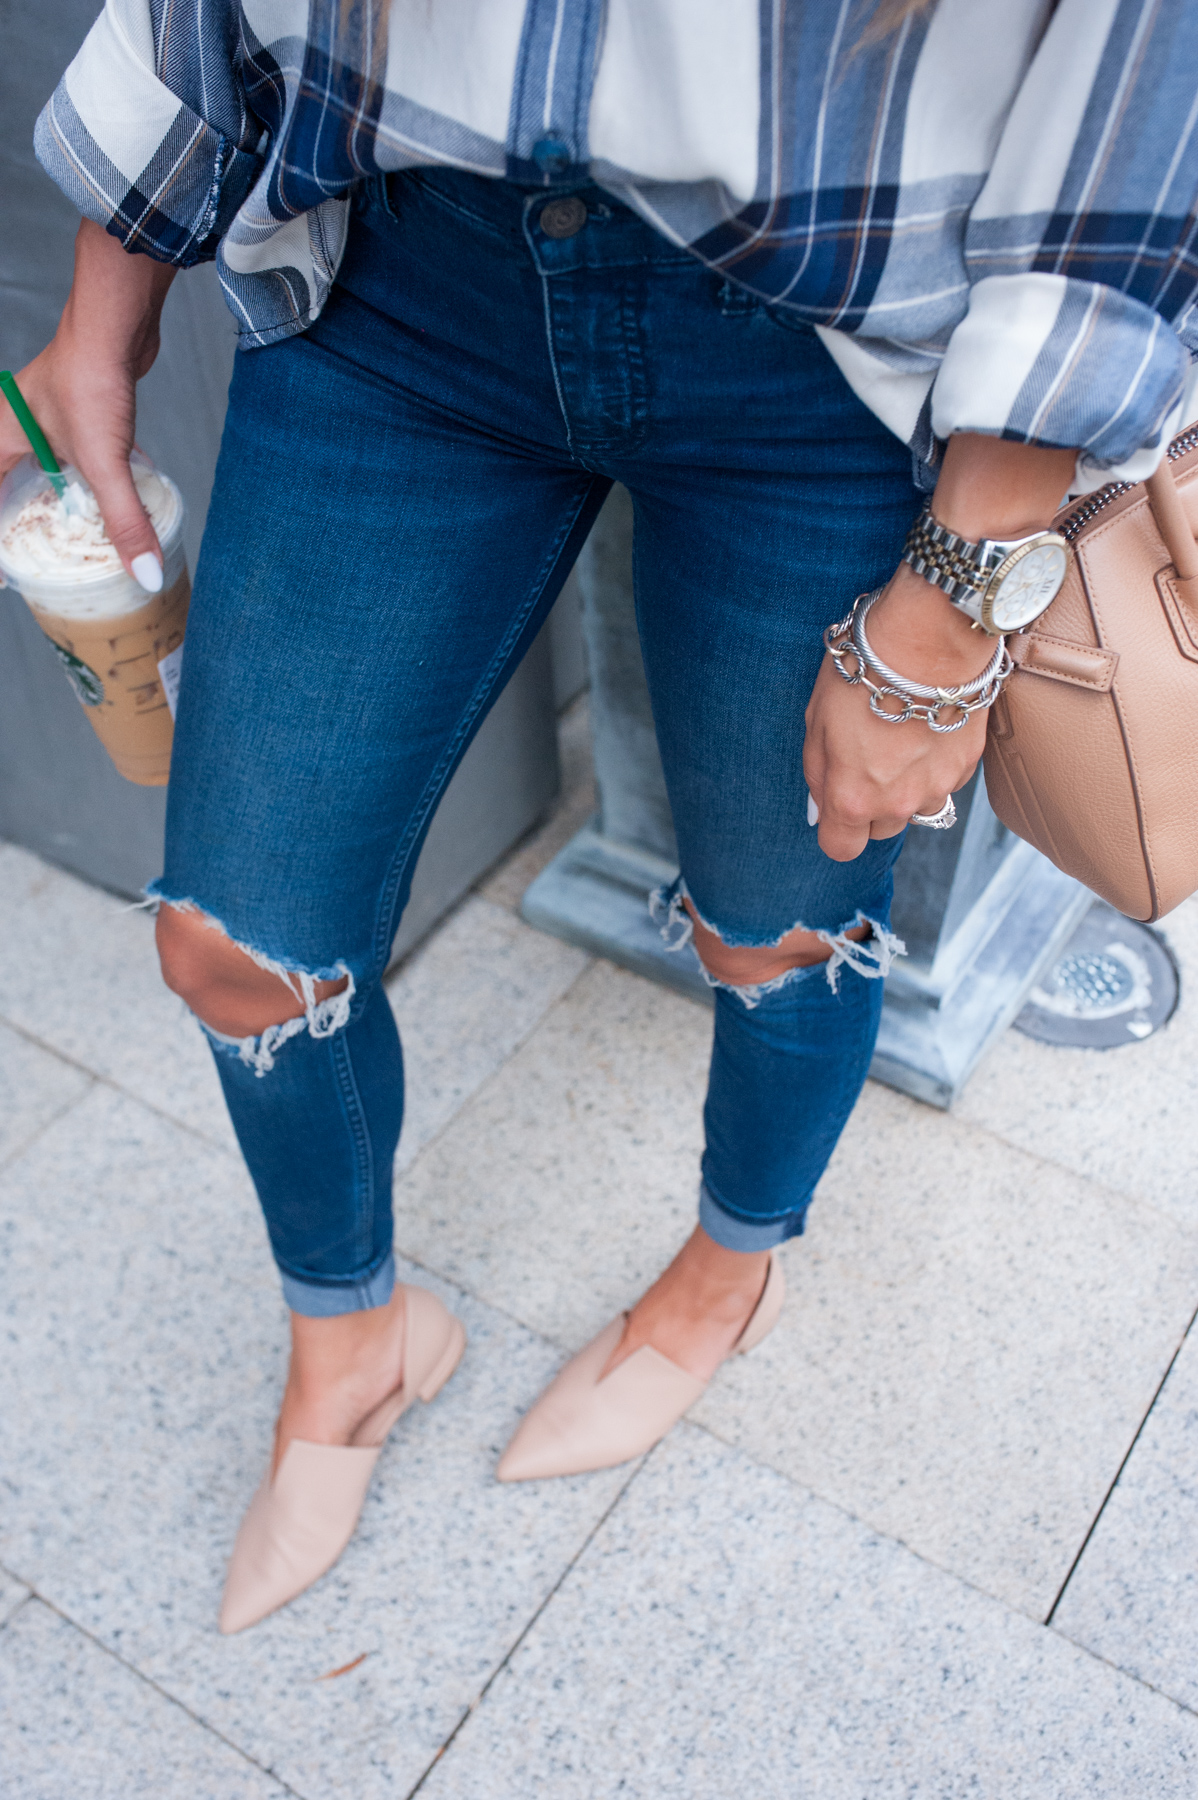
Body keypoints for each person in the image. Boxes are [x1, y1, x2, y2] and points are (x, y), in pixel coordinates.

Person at [5, 0, 1196, 1633]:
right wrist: (109, 288)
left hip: (827, 353)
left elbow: (1142, 75)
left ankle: (726, 1279)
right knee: (234, 938)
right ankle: (351, 1347)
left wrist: (951, 594)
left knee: (777, 923)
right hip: (402, 280)